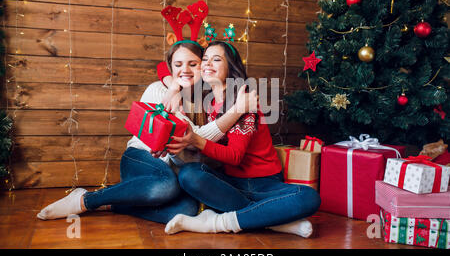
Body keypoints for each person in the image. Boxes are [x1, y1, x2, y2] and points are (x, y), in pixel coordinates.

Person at [36, 41, 257, 224]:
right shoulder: (159, 89)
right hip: (140, 160)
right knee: (165, 185)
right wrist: (237, 111)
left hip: (173, 171)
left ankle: (116, 203)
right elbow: (193, 137)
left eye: (193, 63)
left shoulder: (207, 98)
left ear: (203, 66)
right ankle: (86, 199)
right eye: (178, 64)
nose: (185, 70)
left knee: (188, 210)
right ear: (170, 67)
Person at [158, 40, 321, 237]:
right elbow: (162, 67)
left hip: (263, 183)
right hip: (232, 182)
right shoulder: (208, 102)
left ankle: (217, 222)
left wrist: (196, 140)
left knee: (308, 197)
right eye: (205, 59)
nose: (207, 64)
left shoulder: (244, 101)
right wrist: (173, 88)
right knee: (189, 174)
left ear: (231, 67)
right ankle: (272, 222)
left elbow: (235, 156)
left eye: (216, 59)